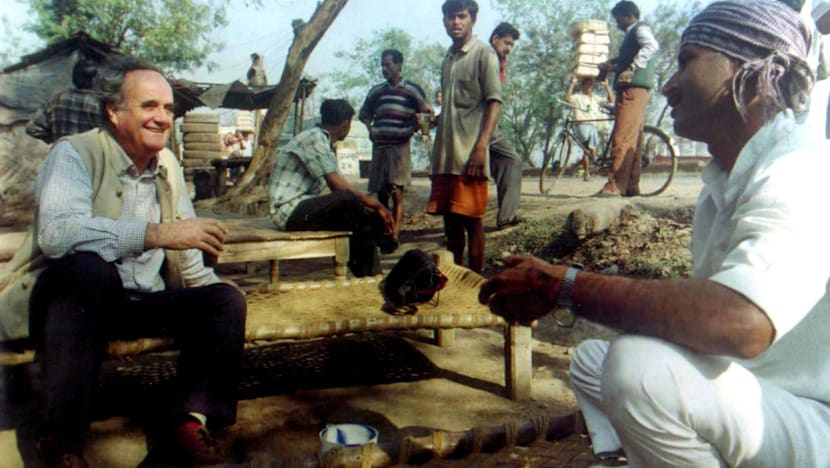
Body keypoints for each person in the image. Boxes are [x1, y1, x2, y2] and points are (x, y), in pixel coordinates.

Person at [479, 0, 830, 465]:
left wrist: (564, 285)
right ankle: (620, 458)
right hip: (757, 397)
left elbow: (741, 322)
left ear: (749, 71)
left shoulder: (800, 167)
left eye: (687, 62)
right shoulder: (722, 182)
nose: (667, 86)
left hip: (810, 419)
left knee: (638, 368)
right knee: (593, 361)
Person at [16, 57, 247, 467]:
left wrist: (215, 291)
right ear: (114, 111)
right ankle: (61, 441)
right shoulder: (73, 154)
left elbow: (188, 257)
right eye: (149, 106)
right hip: (72, 305)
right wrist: (154, 234)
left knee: (225, 301)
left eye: (168, 109)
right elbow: (57, 236)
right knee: (89, 269)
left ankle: (185, 426)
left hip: (139, 302)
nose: (162, 118)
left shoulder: (169, 166)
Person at [268, 99, 397, 278]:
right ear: (345, 124)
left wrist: (370, 209)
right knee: (350, 200)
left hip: (301, 210)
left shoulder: (323, 143)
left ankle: (372, 276)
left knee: (359, 216)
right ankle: (375, 262)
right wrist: (377, 206)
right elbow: (338, 187)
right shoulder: (314, 138)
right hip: (288, 212)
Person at [429, 0, 502, 273]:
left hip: (471, 154)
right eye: (450, 17)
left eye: (461, 16)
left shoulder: (484, 54)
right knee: (451, 225)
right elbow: (454, 108)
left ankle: (476, 283)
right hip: (445, 158)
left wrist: (481, 148)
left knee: (473, 221)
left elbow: (494, 102)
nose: (455, 22)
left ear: (473, 19)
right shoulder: (447, 60)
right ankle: (457, 282)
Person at [358, 49, 432, 233]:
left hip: (399, 147)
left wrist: (414, 129)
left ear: (398, 65)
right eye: (382, 65)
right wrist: (371, 130)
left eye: (388, 65)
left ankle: (395, 233)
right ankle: (386, 230)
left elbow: (427, 113)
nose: (384, 69)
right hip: (379, 146)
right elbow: (364, 114)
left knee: (397, 192)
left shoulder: (412, 89)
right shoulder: (377, 91)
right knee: (381, 192)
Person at [596, 0, 659, 197]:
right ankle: (631, 185)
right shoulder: (631, 36)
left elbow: (651, 45)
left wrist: (632, 68)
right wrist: (612, 65)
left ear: (629, 16)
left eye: (618, 19)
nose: (617, 24)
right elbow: (628, 58)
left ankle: (615, 185)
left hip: (632, 89)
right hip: (637, 90)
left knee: (622, 135)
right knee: (634, 138)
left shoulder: (639, 30)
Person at [488, 22, 524, 230]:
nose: (509, 48)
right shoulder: (489, 58)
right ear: (495, 39)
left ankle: (506, 217)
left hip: (490, 123)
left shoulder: (498, 61)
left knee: (506, 163)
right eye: (507, 43)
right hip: (484, 124)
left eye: (512, 45)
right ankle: (506, 217)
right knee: (512, 161)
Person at [26, 58, 104, 144]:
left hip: (62, 155)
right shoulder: (99, 104)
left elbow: (32, 128)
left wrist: (57, 139)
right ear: (95, 79)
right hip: (89, 155)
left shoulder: (56, 100)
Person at [565, 75, 614, 181]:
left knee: (592, 152)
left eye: (590, 85)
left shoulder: (595, 98)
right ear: (583, 86)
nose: (589, 87)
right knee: (587, 149)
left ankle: (577, 166)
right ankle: (586, 173)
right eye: (587, 85)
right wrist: (572, 84)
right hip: (582, 124)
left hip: (593, 125)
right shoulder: (578, 97)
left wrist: (606, 86)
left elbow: (610, 99)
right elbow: (568, 98)